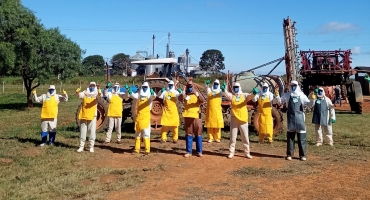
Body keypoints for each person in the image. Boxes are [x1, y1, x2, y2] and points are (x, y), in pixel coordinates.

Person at [277, 80, 310, 161]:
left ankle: (302, 155)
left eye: (294, 85)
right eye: (292, 85)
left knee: (301, 138)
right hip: (291, 119)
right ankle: (289, 154)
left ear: (297, 86)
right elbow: (280, 102)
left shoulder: (302, 96)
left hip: (300, 119)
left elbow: (309, 104)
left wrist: (312, 99)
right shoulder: (288, 95)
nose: (293, 87)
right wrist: (277, 96)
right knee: (290, 138)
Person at [224, 82, 252, 159]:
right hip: (234, 119)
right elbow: (227, 94)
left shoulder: (244, 95)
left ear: (239, 87)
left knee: (245, 137)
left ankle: (247, 153)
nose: (235, 88)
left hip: (243, 119)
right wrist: (224, 90)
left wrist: (254, 93)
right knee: (233, 137)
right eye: (234, 87)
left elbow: (250, 96)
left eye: (237, 87)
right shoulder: (232, 96)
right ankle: (231, 152)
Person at [179, 81, 205, 158]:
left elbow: (202, 100)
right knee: (189, 134)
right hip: (188, 117)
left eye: (191, 86)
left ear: (193, 87)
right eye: (188, 86)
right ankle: (188, 151)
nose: (190, 88)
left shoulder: (197, 94)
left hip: (196, 116)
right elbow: (180, 98)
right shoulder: (185, 95)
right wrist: (183, 92)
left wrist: (196, 93)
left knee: (198, 134)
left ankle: (199, 151)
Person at [128, 82, 155, 155]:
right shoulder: (139, 95)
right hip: (139, 117)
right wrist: (130, 92)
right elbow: (134, 96)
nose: (145, 88)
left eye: (146, 87)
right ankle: (137, 149)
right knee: (137, 133)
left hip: (146, 118)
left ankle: (147, 149)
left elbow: (153, 97)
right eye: (143, 87)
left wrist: (153, 93)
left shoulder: (149, 96)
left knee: (146, 133)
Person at [76, 82, 102, 153]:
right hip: (84, 115)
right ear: (89, 86)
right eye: (91, 86)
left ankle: (91, 146)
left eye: (93, 86)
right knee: (83, 131)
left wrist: (99, 92)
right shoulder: (85, 93)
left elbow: (99, 97)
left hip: (92, 115)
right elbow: (79, 96)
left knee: (92, 132)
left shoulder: (96, 94)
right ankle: (81, 146)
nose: (92, 87)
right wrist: (77, 92)